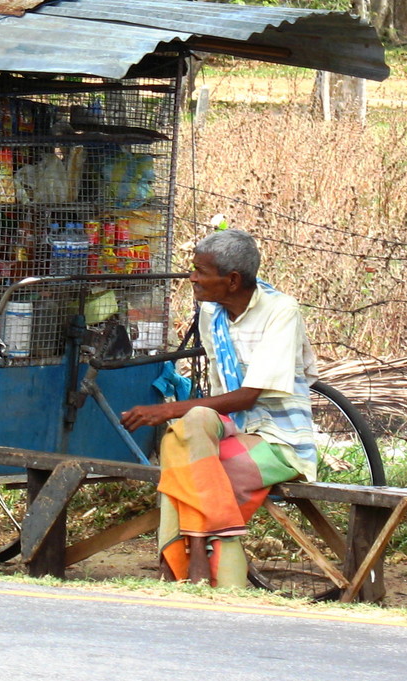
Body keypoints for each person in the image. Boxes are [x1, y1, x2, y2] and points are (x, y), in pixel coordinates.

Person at [121, 229, 318, 588]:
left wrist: (167, 410)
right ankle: (200, 559)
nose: (192, 278)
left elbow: (247, 396)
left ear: (232, 280)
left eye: (200, 270)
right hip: (231, 429)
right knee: (188, 429)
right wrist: (180, 415)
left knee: (186, 468)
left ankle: (184, 564)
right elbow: (217, 394)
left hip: (279, 439)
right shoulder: (212, 314)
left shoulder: (281, 311)